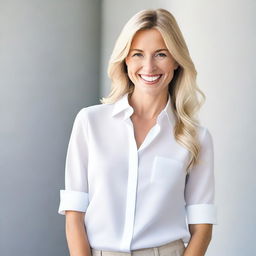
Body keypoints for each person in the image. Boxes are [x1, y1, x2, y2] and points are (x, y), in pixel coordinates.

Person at [58, 8, 217, 256]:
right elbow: (74, 215)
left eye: (161, 54)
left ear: (176, 60)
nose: (149, 66)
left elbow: (202, 227)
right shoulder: (90, 122)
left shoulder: (195, 137)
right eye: (138, 54)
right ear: (126, 60)